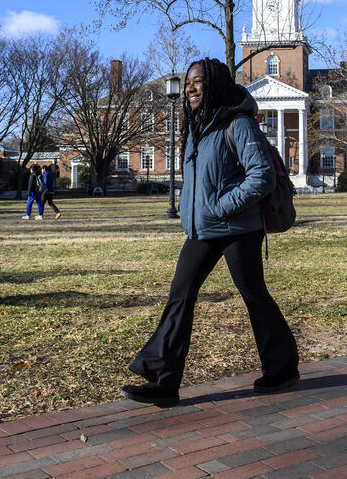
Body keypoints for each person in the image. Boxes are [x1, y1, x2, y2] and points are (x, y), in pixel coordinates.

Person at [122, 57, 299, 407]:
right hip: (201, 230)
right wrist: (194, 215)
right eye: (188, 82)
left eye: (197, 81)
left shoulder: (238, 124)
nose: (190, 88)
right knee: (180, 296)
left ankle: (282, 368)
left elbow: (261, 177)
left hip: (237, 227)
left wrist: (220, 206)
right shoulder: (196, 126)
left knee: (253, 294)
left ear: (215, 84)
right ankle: (164, 380)